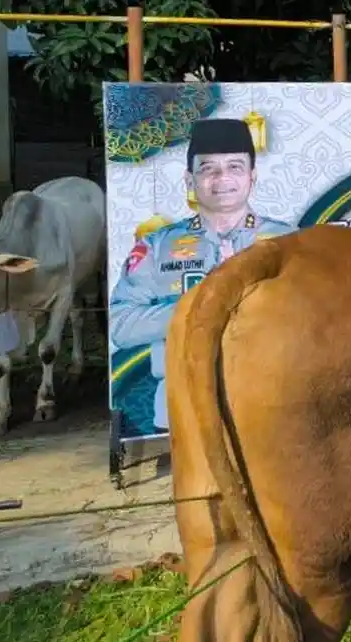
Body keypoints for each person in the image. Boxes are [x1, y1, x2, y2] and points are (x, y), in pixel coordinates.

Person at [109, 118, 298, 434]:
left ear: (253, 176)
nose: (222, 178)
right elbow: (121, 324)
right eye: (208, 169)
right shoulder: (157, 245)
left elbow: (315, 315)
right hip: (184, 413)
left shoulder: (289, 241)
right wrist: (201, 307)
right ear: (189, 179)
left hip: (275, 404)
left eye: (235, 167)